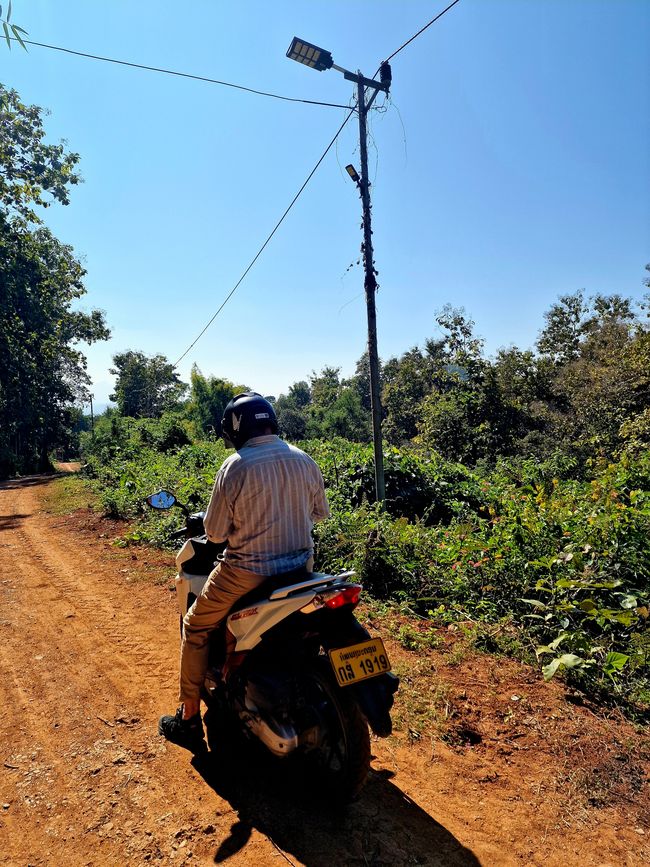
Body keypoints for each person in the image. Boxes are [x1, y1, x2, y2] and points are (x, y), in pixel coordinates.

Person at [158, 391, 330, 751]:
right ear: (272, 422)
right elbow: (319, 515)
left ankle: (188, 717)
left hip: (247, 572)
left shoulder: (236, 465)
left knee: (196, 625)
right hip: (301, 567)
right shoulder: (304, 459)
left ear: (235, 430)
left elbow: (217, 533)